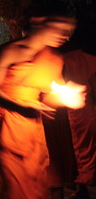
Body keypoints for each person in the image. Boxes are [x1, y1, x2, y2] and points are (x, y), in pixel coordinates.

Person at [0, 9, 86, 198]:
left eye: (68, 31)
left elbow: (50, 94)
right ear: (40, 22)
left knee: (34, 179)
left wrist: (68, 96)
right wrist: (20, 107)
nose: (64, 36)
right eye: (59, 28)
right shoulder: (10, 51)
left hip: (32, 126)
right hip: (5, 121)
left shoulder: (54, 59)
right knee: (12, 182)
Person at [63, 49, 96, 199]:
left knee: (84, 150)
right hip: (75, 111)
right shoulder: (70, 58)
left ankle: (84, 185)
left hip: (84, 111)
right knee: (80, 150)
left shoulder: (73, 59)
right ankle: (81, 186)